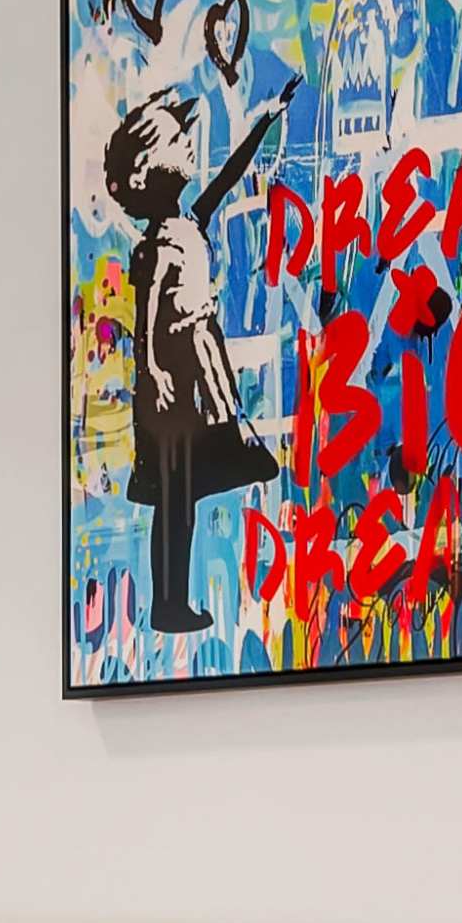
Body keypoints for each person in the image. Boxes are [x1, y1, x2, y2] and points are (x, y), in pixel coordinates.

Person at [103, 79, 292, 631]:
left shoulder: (188, 223)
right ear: (151, 170)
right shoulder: (161, 242)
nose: (190, 147)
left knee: (187, 488)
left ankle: (172, 600)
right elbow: (149, 322)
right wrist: (157, 373)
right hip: (176, 378)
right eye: (179, 142)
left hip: (199, 363)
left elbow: (229, 175)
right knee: (176, 497)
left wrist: (264, 119)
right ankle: (170, 603)